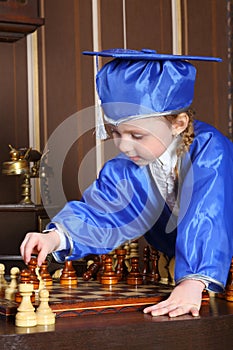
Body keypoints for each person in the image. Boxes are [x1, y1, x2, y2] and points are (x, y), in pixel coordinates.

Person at [20, 48, 233, 318]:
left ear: (178, 123)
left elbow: (208, 211)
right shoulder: (128, 167)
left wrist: (193, 280)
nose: (123, 145)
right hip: (189, 283)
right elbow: (104, 213)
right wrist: (54, 237)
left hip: (210, 275)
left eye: (136, 135)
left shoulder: (210, 150)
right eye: (116, 133)